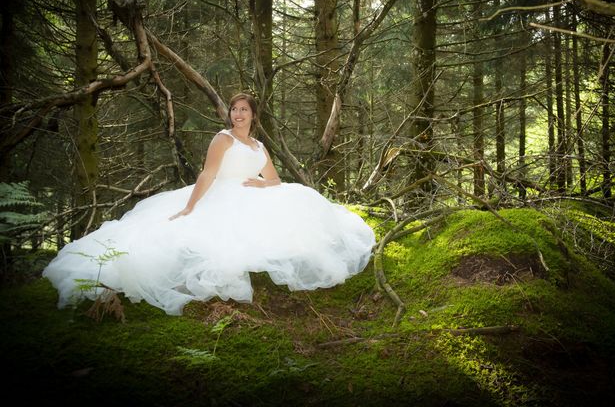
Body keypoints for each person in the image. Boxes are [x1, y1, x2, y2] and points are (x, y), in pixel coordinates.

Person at [43, 92, 376, 315]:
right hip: (222, 194)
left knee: (297, 198)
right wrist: (190, 207)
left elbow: (274, 179)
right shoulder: (223, 139)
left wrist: (262, 183)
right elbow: (206, 175)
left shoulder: (259, 146)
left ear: (253, 115)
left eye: (244, 110)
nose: (238, 114)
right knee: (207, 238)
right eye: (234, 109)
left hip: (251, 193)